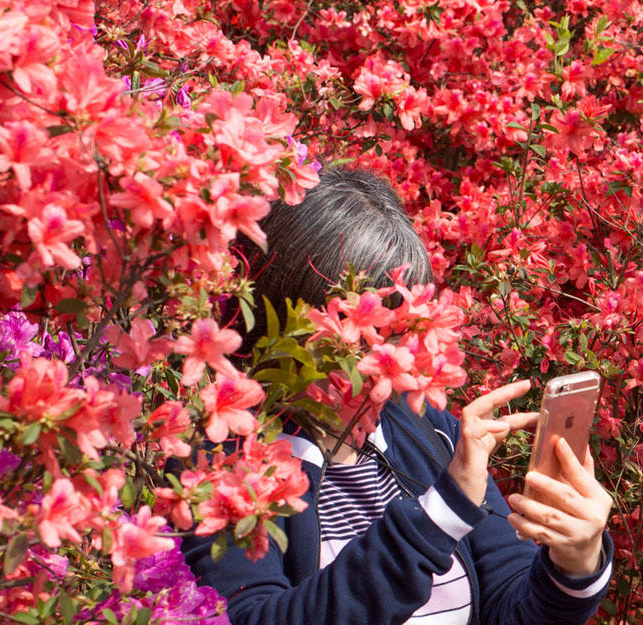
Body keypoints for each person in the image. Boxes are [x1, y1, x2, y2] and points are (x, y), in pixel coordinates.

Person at [181, 167, 614, 625]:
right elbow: (256, 617)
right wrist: (439, 516)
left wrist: (576, 563)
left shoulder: (431, 431)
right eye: (369, 331)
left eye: (403, 330)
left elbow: (513, 611)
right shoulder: (222, 458)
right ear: (294, 318)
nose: (400, 360)